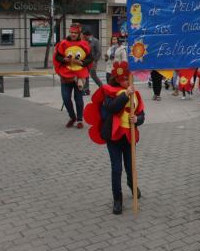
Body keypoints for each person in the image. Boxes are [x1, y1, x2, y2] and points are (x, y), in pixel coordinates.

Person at [82, 61, 145, 215]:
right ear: (117, 79)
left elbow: (141, 113)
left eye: (128, 78)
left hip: (129, 136)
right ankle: (117, 199)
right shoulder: (109, 91)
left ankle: (132, 183)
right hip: (114, 136)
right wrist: (125, 95)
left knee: (130, 166)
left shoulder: (136, 94)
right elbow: (112, 108)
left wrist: (138, 119)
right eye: (123, 79)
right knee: (116, 168)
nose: (126, 81)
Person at [53, 23, 93, 129]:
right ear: (69, 32)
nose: (73, 34)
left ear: (79, 33)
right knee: (66, 98)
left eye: (75, 33)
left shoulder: (84, 44)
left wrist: (82, 63)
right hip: (66, 75)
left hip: (79, 75)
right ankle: (72, 117)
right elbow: (57, 56)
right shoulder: (63, 43)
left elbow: (90, 58)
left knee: (78, 98)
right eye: (72, 32)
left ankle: (79, 119)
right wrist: (63, 59)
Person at [82, 29, 103, 95]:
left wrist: (95, 60)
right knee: (86, 75)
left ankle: (102, 87)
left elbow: (99, 52)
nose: (83, 37)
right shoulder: (84, 41)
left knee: (93, 75)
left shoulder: (95, 41)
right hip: (86, 61)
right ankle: (86, 90)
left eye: (84, 36)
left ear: (88, 35)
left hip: (93, 61)